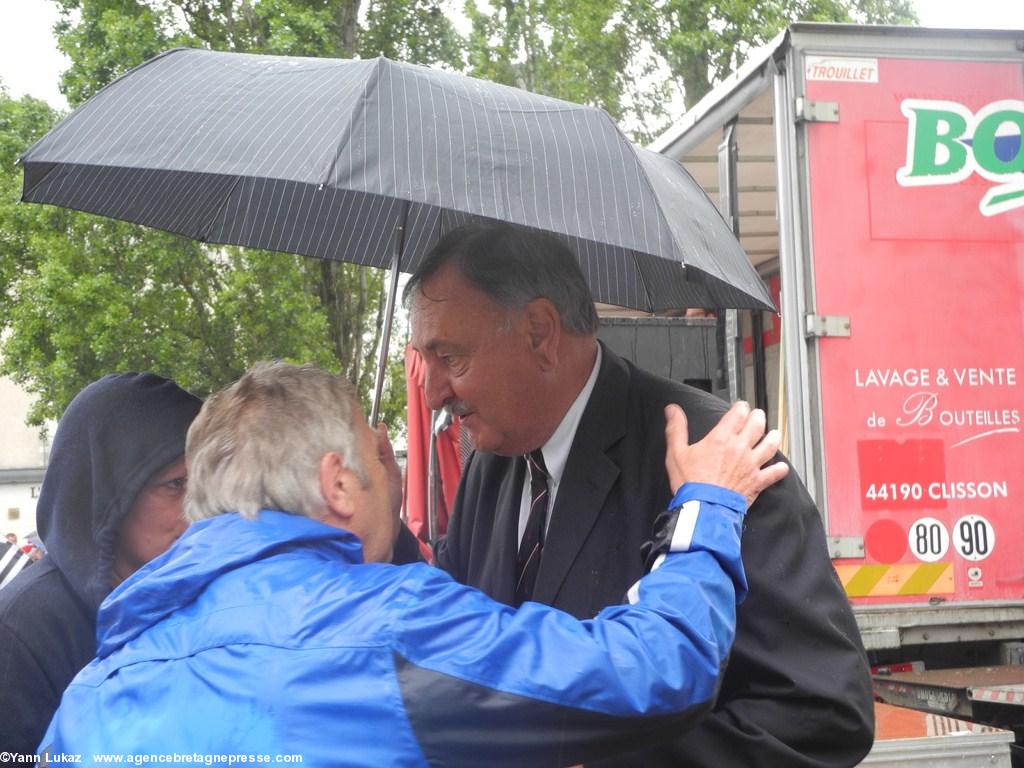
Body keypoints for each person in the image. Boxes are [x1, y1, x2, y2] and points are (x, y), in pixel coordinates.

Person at [42, 362, 786, 765]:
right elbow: (657, 669)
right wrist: (707, 506)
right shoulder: (390, 629)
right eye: (378, 450)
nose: (393, 464)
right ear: (337, 483)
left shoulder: (93, 690)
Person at [404, 222, 875, 768]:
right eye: (424, 360)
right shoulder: (490, 464)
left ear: (539, 332)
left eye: (451, 358)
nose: (433, 392)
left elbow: (823, 714)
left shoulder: (721, 459)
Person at [0, 373, 201, 754]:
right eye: (175, 485)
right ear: (108, 497)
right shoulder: (22, 630)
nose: (199, 506)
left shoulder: (200, 599)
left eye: (206, 482)